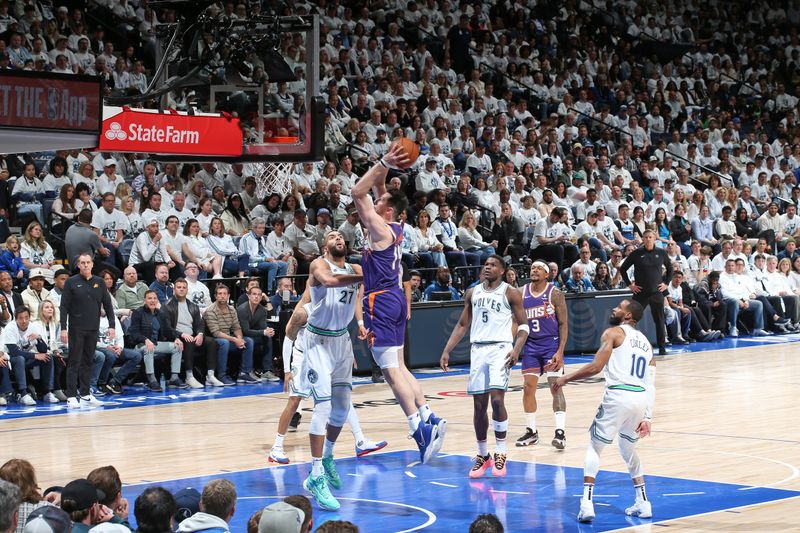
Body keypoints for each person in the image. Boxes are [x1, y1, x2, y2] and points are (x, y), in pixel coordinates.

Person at [351, 144, 446, 465]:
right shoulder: (394, 226)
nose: (376, 200)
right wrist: (386, 169)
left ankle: (418, 429)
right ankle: (429, 415)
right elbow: (377, 189)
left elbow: (357, 192)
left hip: (379, 301)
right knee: (401, 367)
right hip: (392, 298)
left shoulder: (379, 227)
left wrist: (381, 162)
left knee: (391, 373)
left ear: (387, 211)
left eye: (380, 202)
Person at [553, 300, 656, 523]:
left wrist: (566, 378)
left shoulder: (613, 333)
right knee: (628, 449)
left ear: (628, 316)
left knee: (594, 446)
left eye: (619, 307)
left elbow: (596, 367)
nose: (614, 309)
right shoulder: (647, 343)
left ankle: (587, 503)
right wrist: (648, 416)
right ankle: (644, 502)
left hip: (618, 394)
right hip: (639, 398)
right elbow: (651, 383)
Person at [269, 286, 386, 466]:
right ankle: (276, 448)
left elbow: (339, 332)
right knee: (294, 401)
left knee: (341, 396)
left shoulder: (333, 311)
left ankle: (360, 440)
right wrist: (286, 371)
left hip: (323, 356)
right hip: (302, 356)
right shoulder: (303, 313)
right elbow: (288, 339)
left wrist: (346, 354)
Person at [293, 231, 367, 511]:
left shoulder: (356, 268)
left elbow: (358, 296)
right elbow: (330, 281)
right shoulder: (318, 265)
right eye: (332, 236)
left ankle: (327, 456)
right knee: (322, 408)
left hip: (342, 340)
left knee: (342, 407)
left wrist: (360, 323)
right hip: (318, 341)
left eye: (340, 235)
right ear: (325, 245)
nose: (337, 238)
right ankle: (316, 475)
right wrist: (366, 275)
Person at [440, 255, 529, 478]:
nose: (487, 268)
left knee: (497, 400)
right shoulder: (473, 292)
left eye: (492, 265)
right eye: (486, 265)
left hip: (501, 348)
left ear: (502, 270)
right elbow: (462, 324)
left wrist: (516, 349)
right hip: (478, 349)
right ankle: (483, 455)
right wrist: (447, 350)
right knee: (479, 405)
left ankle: (501, 452)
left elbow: (524, 325)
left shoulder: (511, 292)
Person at [516, 261, 569, 449]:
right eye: (532, 268)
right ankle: (531, 431)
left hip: (551, 345)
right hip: (531, 346)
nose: (534, 270)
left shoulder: (554, 293)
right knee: (528, 387)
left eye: (539, 268)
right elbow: (516, 320)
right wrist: (514, 347)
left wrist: (560, 351)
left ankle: (560, 433)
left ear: (547, 274)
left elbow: (563, 324)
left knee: (555, 386)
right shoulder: (521, 292)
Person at [60, 253, 115, 409]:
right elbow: (64, 307)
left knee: (88, 361)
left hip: (93, 328)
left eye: (88, 262)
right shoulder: (71, 282)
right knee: (74, 362)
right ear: (78, 265)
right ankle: (71, 396)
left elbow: (108, 305)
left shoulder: (99, 282)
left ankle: (85, 394)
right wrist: (64, 328)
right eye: (82, 263)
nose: (85, 265)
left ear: (92, 264)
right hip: (76, 329)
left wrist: (112, 325)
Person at [619, 230, 672, 355]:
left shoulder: (661, 252)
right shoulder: (636, 253)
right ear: (643, 239)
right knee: (631, 319)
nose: (648, 239)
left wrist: (666, 283)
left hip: (656, 292)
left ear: (654, 239)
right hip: (640, 293)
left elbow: (670, 268)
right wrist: (630, 285)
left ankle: (662, 348)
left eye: (650, 237)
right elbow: (623, 268)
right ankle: (627, 346)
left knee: (659, 321)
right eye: (646, 237)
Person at [127, 290, 187, 392]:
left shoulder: (160, 313)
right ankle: (152, 380)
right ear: (144, 300)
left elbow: (168, 330)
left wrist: (176, 338)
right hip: (140, 345)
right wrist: (145, 340)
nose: (152, 301)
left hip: (156, 344)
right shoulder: (138, 313)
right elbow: (134, 333)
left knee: (178, 347)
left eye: (154, 298)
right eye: (149, 298)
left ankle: (174, 377)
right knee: (149, 348)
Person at [204, 284, 258, 386]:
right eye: (220, 294)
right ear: (215, 296)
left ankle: (244, 373)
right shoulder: (210, 310)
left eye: (225, 294)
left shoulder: (232, 309)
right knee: (224, 342)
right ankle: (221, 375)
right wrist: (234, 340)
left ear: (228, 295)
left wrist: (240, 339)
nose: (222, 296)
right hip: (214, 340)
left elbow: (236, 327)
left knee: (249, 341)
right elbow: (216, 333)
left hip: (229, 339)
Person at [162, 278, 211, 389]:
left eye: (184, 288)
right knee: (188, 341)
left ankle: (211, 375)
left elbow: (200, 324)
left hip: (192, 335)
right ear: (174, 290)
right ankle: (189, 377)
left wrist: (200, 334)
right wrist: (181, 334)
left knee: (211, 342)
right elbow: (166, 328)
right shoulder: (167, 305)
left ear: (187, 290)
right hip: (176, 337)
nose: (181, 290)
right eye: (179, 287)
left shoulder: (193, 305)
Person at [236, 284, 278, 382]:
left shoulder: (262, 310)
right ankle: (246, 372)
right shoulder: (242, 310)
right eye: (254, 294)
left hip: (253, 335)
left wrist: (268, 331)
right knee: (250, 340)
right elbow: (245, 331)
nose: (256, 297)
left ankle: (266, 370)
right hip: (239, 336)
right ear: (249, 296)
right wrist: (263, 332)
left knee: (268, 337)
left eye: (259, 295)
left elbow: (263, 328)